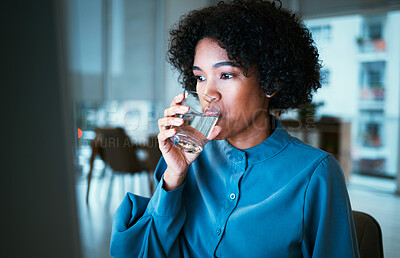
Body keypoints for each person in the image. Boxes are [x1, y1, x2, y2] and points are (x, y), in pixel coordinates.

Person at [110, 0, 360, 257]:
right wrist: (175, 175)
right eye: (200, 77)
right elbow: (139, 253)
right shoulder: (188, 157)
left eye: (227, 75)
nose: (208, 93)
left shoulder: (315, 174)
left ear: (270, 82)